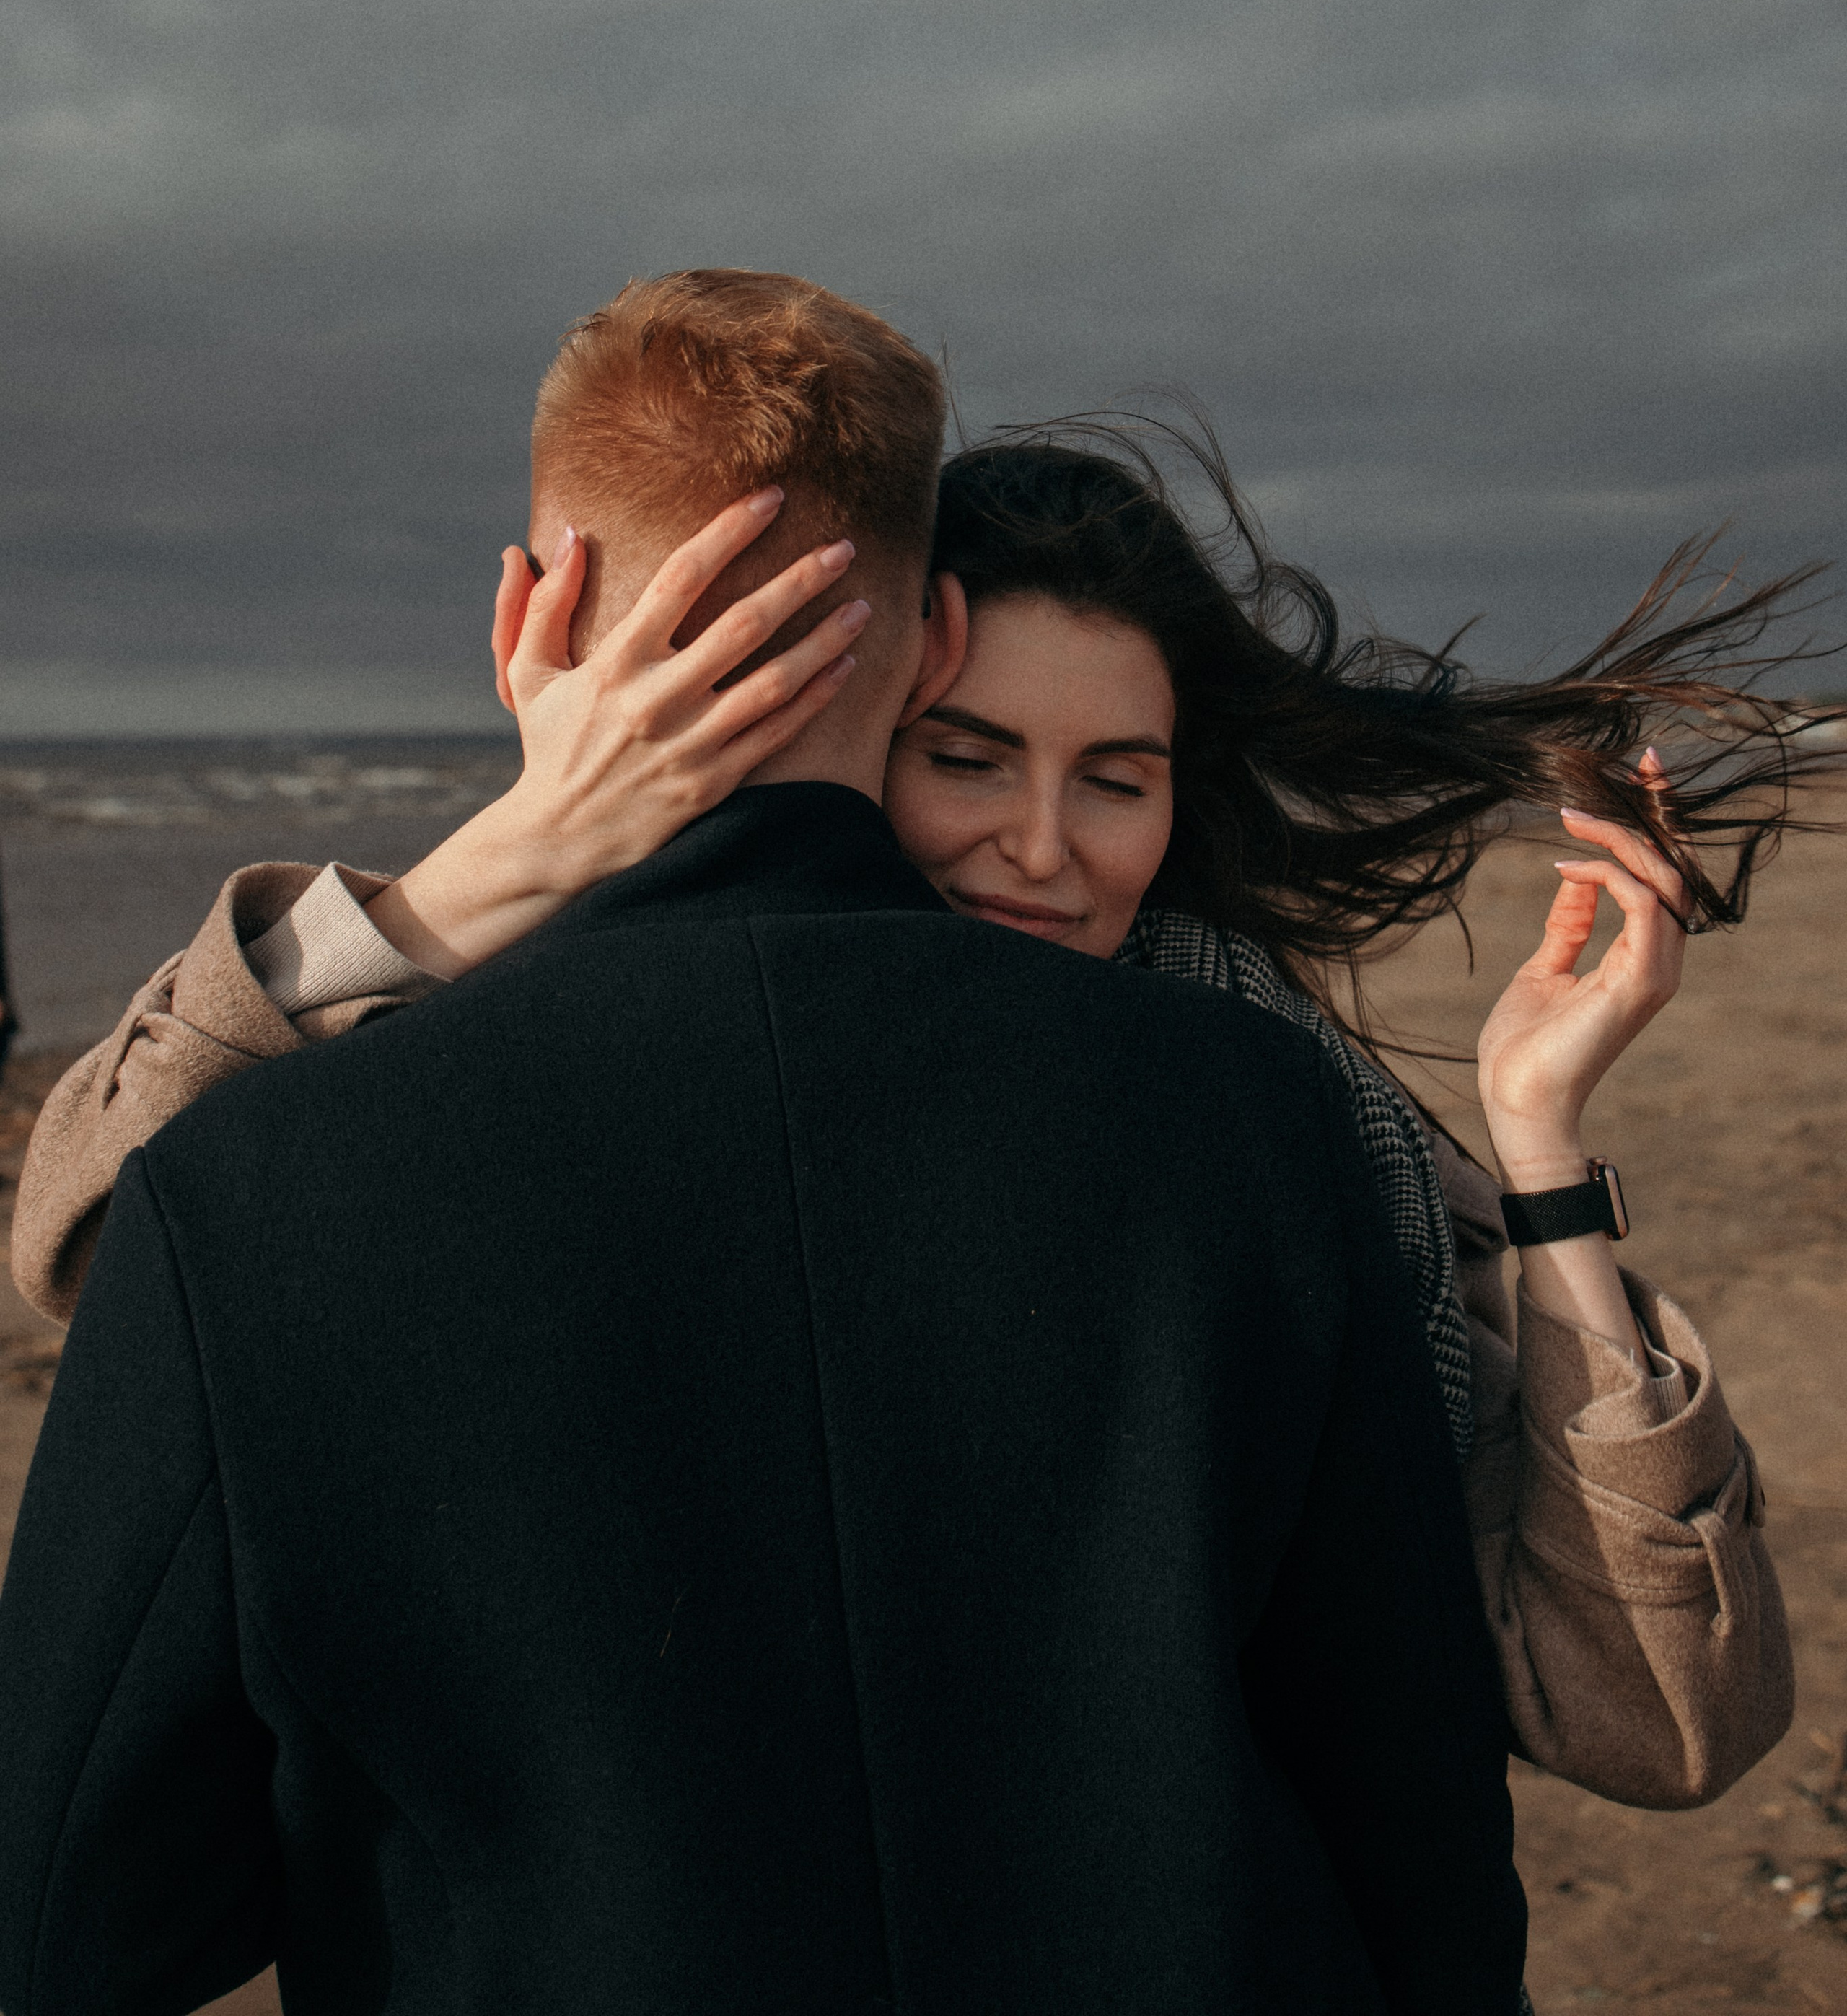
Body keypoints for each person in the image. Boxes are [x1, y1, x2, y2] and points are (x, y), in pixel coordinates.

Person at [0, 271, 1530, 2015]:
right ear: (931, 642)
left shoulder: (252, 1188)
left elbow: (66, 1919)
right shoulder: (1255, 1115)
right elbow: (1413, 1818)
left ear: (526, 626)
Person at [16, 403, 1816, 1815]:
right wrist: (510, 859)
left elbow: (1658, 1723)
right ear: (838, 735)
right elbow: (106, 1256)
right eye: (963, 757)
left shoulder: (1276, 1111)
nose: (1038, 849)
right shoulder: (586, 1053)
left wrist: (1537, 1153)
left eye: (1113, 779)